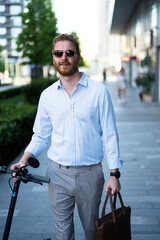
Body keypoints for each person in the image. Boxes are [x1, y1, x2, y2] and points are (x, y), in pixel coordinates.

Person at [10, 34, 123, 240]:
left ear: (78, 57)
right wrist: (24, 159)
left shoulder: (99, 92)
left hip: (90, 174)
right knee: (63, 234)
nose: (64, 57)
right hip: (57, 174)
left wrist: (114, 174)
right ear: (53, 58)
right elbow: (40, 135)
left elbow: (110, 135)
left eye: (69, 52)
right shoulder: (48, 95)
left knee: (92, 232)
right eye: (58, 53)